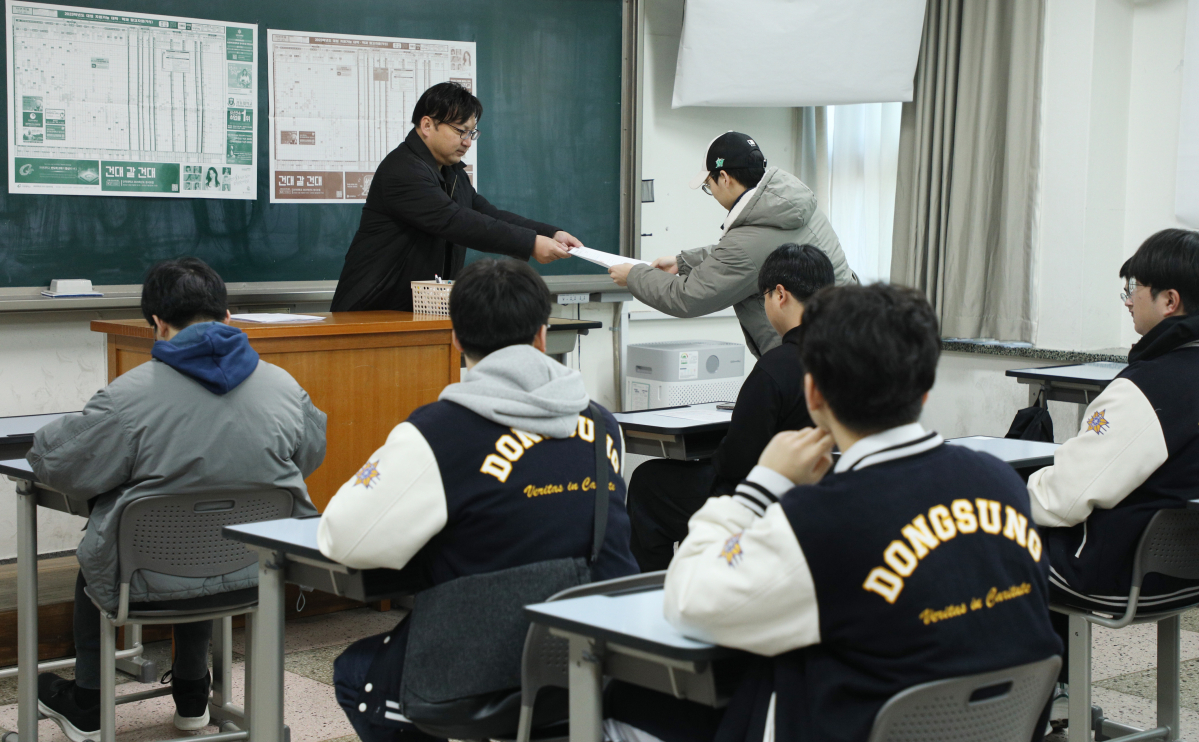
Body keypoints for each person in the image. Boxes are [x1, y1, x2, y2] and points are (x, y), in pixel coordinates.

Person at [610, 284, 1061, 742]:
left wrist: (759, 487)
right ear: (925, 390)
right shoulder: (1002, 483)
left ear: (813, 394)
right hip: (987, 729)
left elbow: (689, 601)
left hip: (850, 725)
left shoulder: (822, 519)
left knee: (622, 703)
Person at [319, 257, 639, 742]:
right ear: (542, 335)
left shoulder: (438, 432)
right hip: (605, 655)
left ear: (455, 339)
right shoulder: (602, 423)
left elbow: (342, 539)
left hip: (493, 665)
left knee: (357, 673)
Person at [29, 258, 327, 742]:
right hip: (256, 572)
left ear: (158, 324)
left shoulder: (129, 397)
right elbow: (310, 454)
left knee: (105, 557)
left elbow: (55, 464)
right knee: (202, 541)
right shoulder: (285, 388)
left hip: (143, 581)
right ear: (227, 316)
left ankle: (89, 703)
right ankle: (193, 696)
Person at [626, 243, 835, 572]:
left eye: (763, 297)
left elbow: (737, 461)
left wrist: (715, 454)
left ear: (780, 295)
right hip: (828, 493)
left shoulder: (776, 367)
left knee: (648, 482)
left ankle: (655, 589)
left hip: (763, 499)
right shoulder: (851, 356)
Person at [1029, 228, 1199, 615]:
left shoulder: (1148, 388)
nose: (1128, 300)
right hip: (1187, 572)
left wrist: (996, 495)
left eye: (1135, 288)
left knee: (969, 536)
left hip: (1117, 576)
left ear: (1169, 301)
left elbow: (1064, 499)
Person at [331, 82, 582, 312]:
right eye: (461, 131)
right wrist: (530, 244)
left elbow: (488, 214)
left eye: (472, 133)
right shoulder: (403, 170)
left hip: (418, 313)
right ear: (427, 125)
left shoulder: (453, 174)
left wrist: (550, 233)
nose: (468, 142)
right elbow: (454, 220)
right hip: (371, 311)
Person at [607, 131, 856, 358]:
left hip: (813, 362)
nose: (712, 193)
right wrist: (683, 262)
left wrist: (634, 276)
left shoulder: (747, 243)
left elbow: (687, 297)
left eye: (709, 186)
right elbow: (754, 254)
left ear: (724, 178)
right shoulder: (790, 203)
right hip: (851, 339)